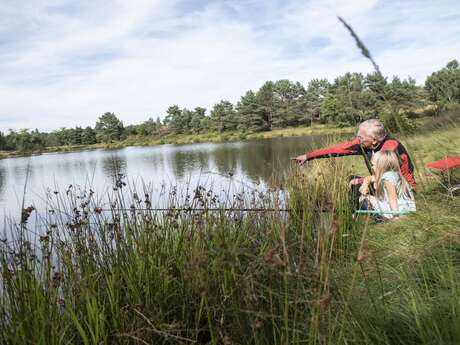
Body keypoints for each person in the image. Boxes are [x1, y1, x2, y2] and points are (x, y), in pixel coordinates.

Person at [293, 119, 416, 190]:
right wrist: (307, 156)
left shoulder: (390, 147)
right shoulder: (364, 145)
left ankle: (368, 217)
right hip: (382, 185)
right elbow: (337, 149)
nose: (358, 140)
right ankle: (357, 214)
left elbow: (386, 177)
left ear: (374, 140)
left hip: (403, 188)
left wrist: (361, 181)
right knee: (352, 180)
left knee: (356, 183)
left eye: (361, 137)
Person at [359, 150, 416, 219]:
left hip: (398, 212)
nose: (372, 167)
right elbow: (370, 178)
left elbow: (393, 199)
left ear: (381, 166)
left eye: (373, 165)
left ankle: (381, 218)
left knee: (363, 198)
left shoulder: (387, 178)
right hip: (408, 210)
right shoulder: (394, 174)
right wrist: (365, 184)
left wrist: (396, 218)